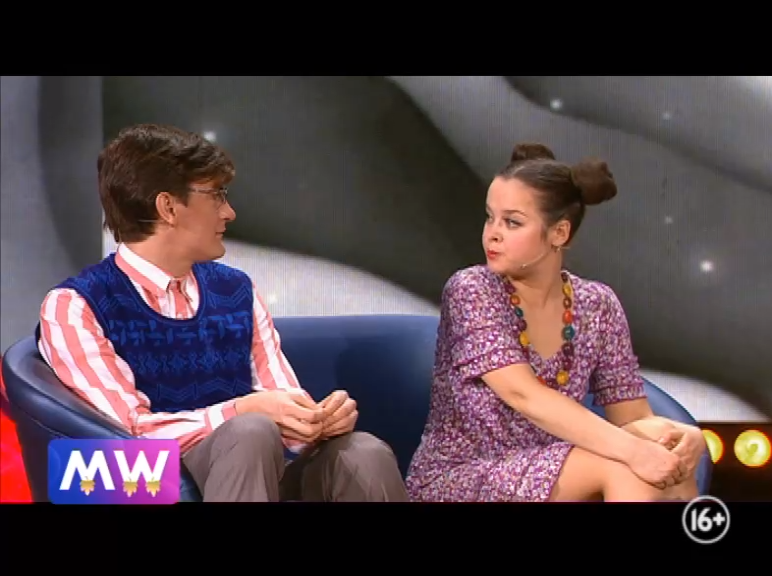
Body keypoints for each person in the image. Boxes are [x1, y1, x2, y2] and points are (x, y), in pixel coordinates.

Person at [36, 123, 408, 502]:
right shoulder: (76, 305)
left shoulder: (236, 290)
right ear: (168, 207)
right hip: (150, 484)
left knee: (361, 452)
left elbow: (281, 397)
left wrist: (315, 421)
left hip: (257, 467)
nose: (229, 212)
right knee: (249, 432)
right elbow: (129, 431)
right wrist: (239, 412)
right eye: (216, 196)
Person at [406, 143, 707, 502]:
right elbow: (524, 395)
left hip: (559, 466)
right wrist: (633, 451)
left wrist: (685, 436)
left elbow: (631, 417)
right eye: (490, 217)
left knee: (665, 457)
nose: (493, 233)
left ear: (559, 233)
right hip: (465, 475)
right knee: (628, 465)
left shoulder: (597, 304)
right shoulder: (472, 289)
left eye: (512, 222)